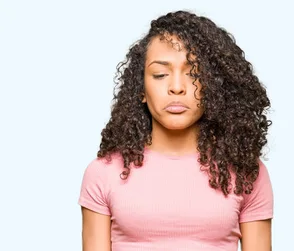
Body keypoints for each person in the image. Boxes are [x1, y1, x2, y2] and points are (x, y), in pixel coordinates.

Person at [78, 10, 274, 251]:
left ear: (213, 87)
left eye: (194, 74)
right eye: (160, 74)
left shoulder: (246, 172)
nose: (177, 87)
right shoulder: (103, 173)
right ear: (141, 88)